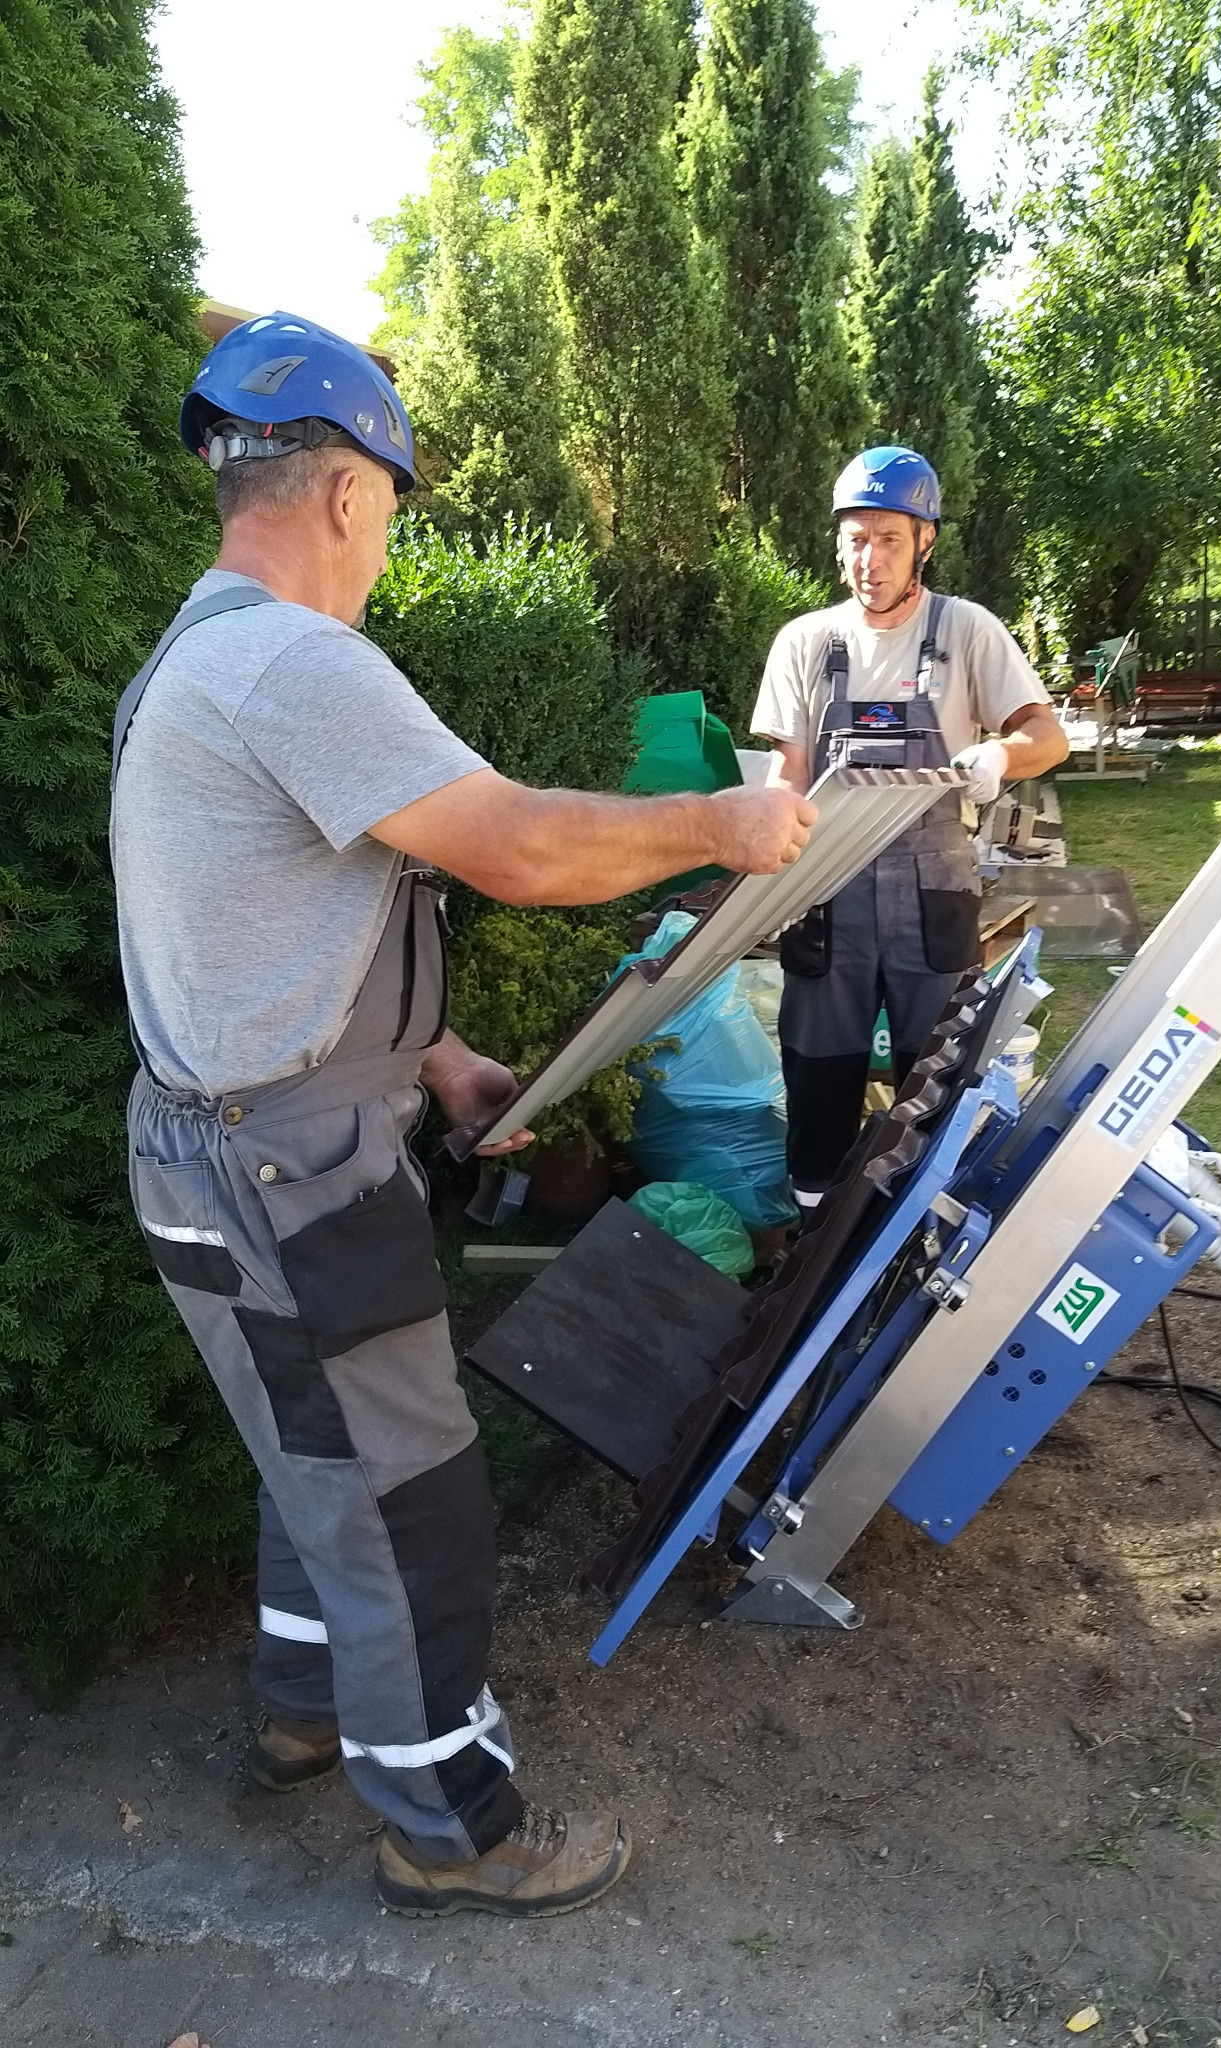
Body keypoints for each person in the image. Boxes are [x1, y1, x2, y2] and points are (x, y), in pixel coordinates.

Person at [110, 311, 814, 1920]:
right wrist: (715, 818)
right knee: (414, 1495)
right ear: (348, 488)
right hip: (289, 1173)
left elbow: (248, 926)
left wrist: (436, 1058)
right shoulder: (293, 660)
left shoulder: (192, 665)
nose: (384, 545)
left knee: (320, 1460)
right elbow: (517, 845)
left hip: (212, 1149)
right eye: (396, 507)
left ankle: (304, 1717)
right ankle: (455, 1828)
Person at [751, 445, 1069, 1210]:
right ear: (837, 546)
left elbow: (1047, 737)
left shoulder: (967, 631)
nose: (871, 558)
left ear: (925, 541)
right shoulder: (806, 643)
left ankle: (927, 1227)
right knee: (819, 1073)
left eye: (890, 539)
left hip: (934, 895)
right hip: (826, 893)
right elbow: (787, 772)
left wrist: (999, 752)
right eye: (856, 539)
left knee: (939, 1075)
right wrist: (766, 851)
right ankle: (811, 1233)